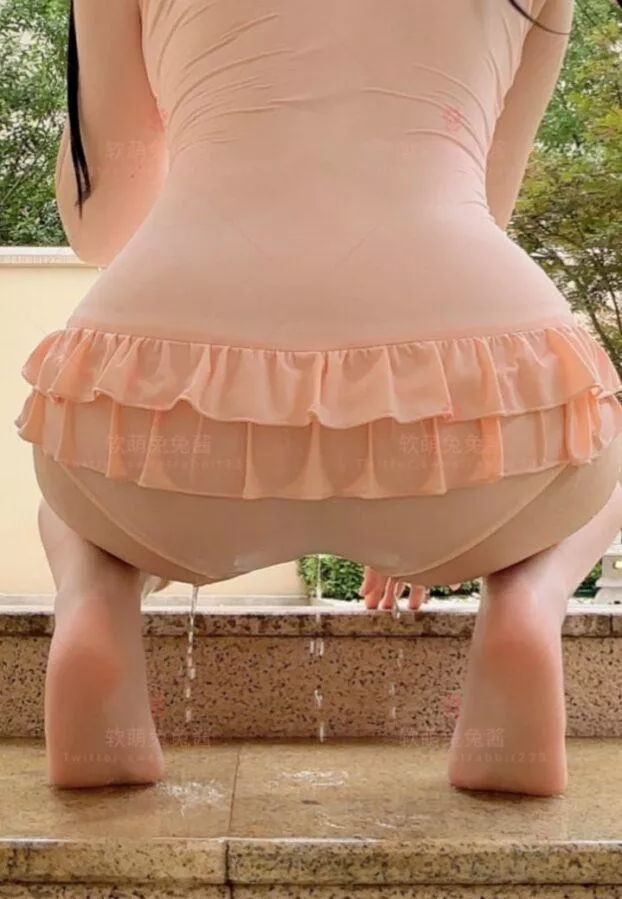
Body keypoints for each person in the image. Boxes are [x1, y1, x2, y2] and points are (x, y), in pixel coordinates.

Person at [15, 0, 622, 794]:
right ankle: (526, 605)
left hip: (160, 445)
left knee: (76, 505)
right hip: (462, 436)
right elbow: (487, 202)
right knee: (595, 438)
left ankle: (96, 604)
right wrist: (419, 487)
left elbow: (107, 228)